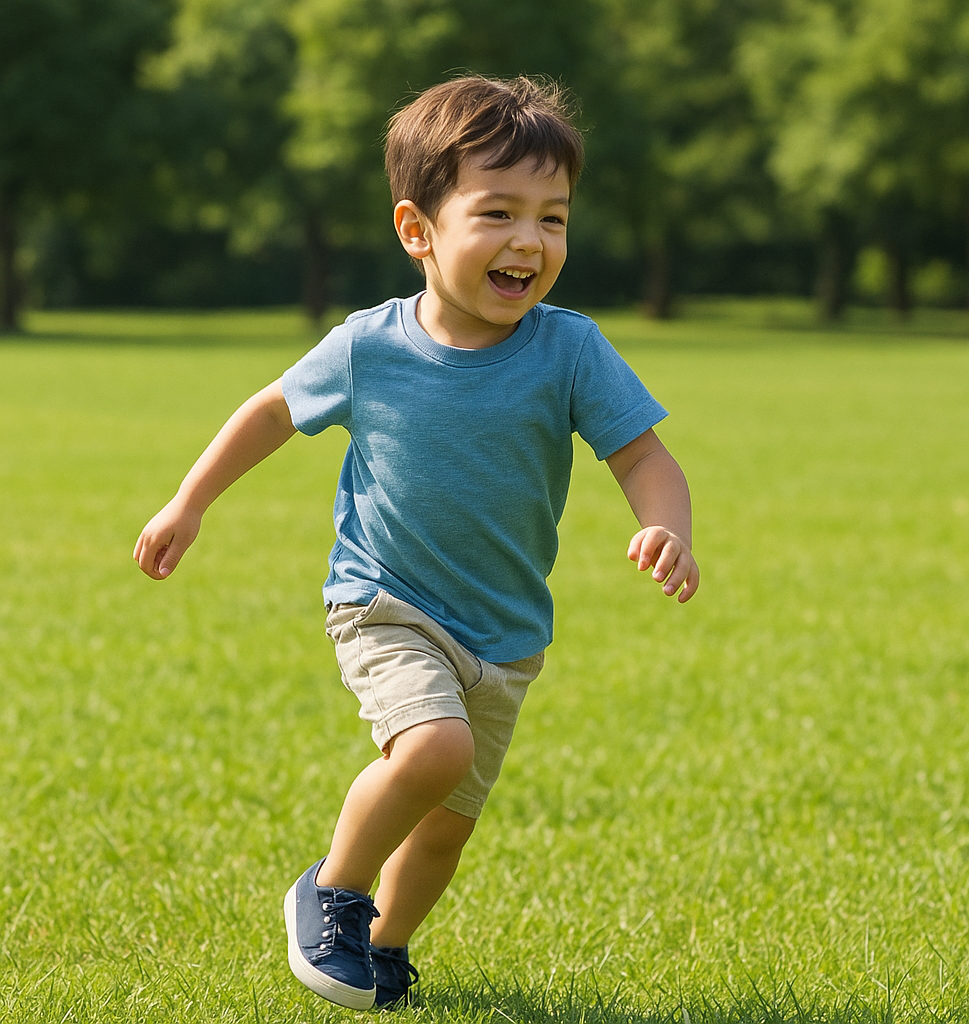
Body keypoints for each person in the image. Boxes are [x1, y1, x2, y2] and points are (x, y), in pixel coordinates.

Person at [133, 74, 699, 1011]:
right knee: (430, 749)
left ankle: (381, 946)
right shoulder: (370, 347)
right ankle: (334, 891)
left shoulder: (570, 349)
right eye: (499, 213)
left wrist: (665, 524)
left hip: (506, 632)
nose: (530, 241)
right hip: (384, 600)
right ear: (417, 230)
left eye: (553, 219)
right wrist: (189, 502)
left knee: (445, 826)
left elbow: (645, 457)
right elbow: (271, 413)